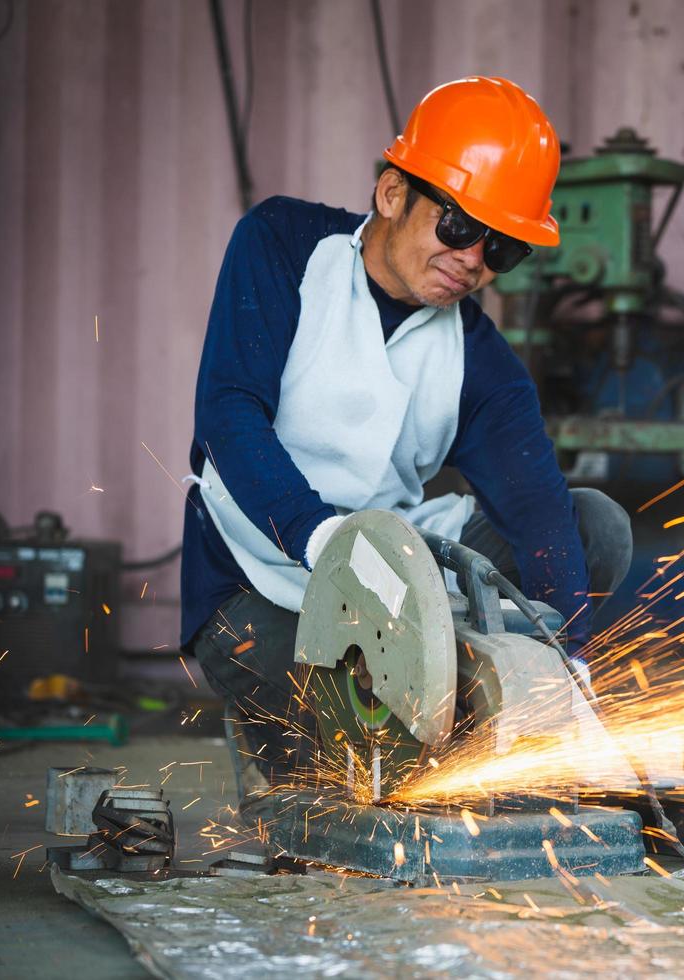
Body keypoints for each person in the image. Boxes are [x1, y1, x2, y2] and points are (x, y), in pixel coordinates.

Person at [179, 76, 631, 785]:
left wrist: (571, 664)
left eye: (502, 249)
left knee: (595, 524)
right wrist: (323, 540)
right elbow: (229, 411)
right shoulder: (283, 247)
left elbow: (538, 510)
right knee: (358, 767)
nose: (474, 260)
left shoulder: (479, 360)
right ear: (393, 194)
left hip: (394, 568)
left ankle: (458, 725)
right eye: (458, 227)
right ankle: (292, 760)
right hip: (255, 579)